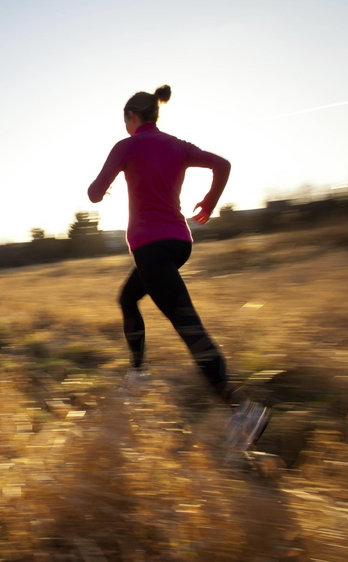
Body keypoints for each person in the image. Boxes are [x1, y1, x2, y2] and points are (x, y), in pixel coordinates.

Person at [86, 84, 267, 451]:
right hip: (179, 242)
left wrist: (104, 187)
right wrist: (210, 201)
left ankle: (241, 410)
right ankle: (137, 374)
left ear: (131, 118)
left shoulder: (127, 146)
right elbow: (222, 164)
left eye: (125, 119)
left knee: (189, 328)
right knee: (128, 298)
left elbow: (93, 192)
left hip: (151, 248)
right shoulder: (176, 144)